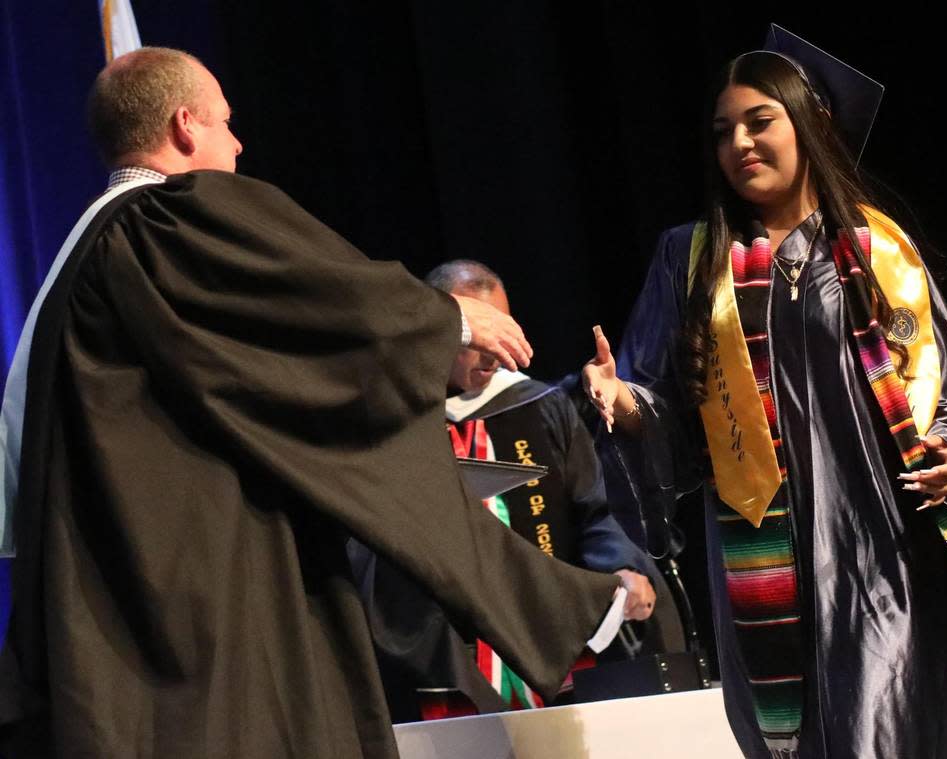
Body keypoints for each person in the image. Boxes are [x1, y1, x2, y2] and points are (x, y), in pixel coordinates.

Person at [0, 47, 625, 758]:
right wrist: (445, 319)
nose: (238, 143)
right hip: (208, 603)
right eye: (227, 123)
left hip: (127, 604)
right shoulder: (169, 222)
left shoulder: (82, 256)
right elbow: (319, 307)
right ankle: (551, 602)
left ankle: (554, 600)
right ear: (183, 126)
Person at [583, 27, 947, 759]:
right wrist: (624, 403)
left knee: (884, 734)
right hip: (759, 544)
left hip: (877, 542)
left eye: (759, 121)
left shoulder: (877, 251)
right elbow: (663, 404)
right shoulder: (690, 259)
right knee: (795, 740)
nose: (740, 142)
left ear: (810, 124)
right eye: (723, 132)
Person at [349, 259, 686, 721]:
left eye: (503, 330)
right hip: (440, 656)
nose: (493, 352)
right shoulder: (392, 419)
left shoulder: (543, 409)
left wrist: (624, 570)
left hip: (548, 642)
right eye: (480, 334)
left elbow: (593, 516)